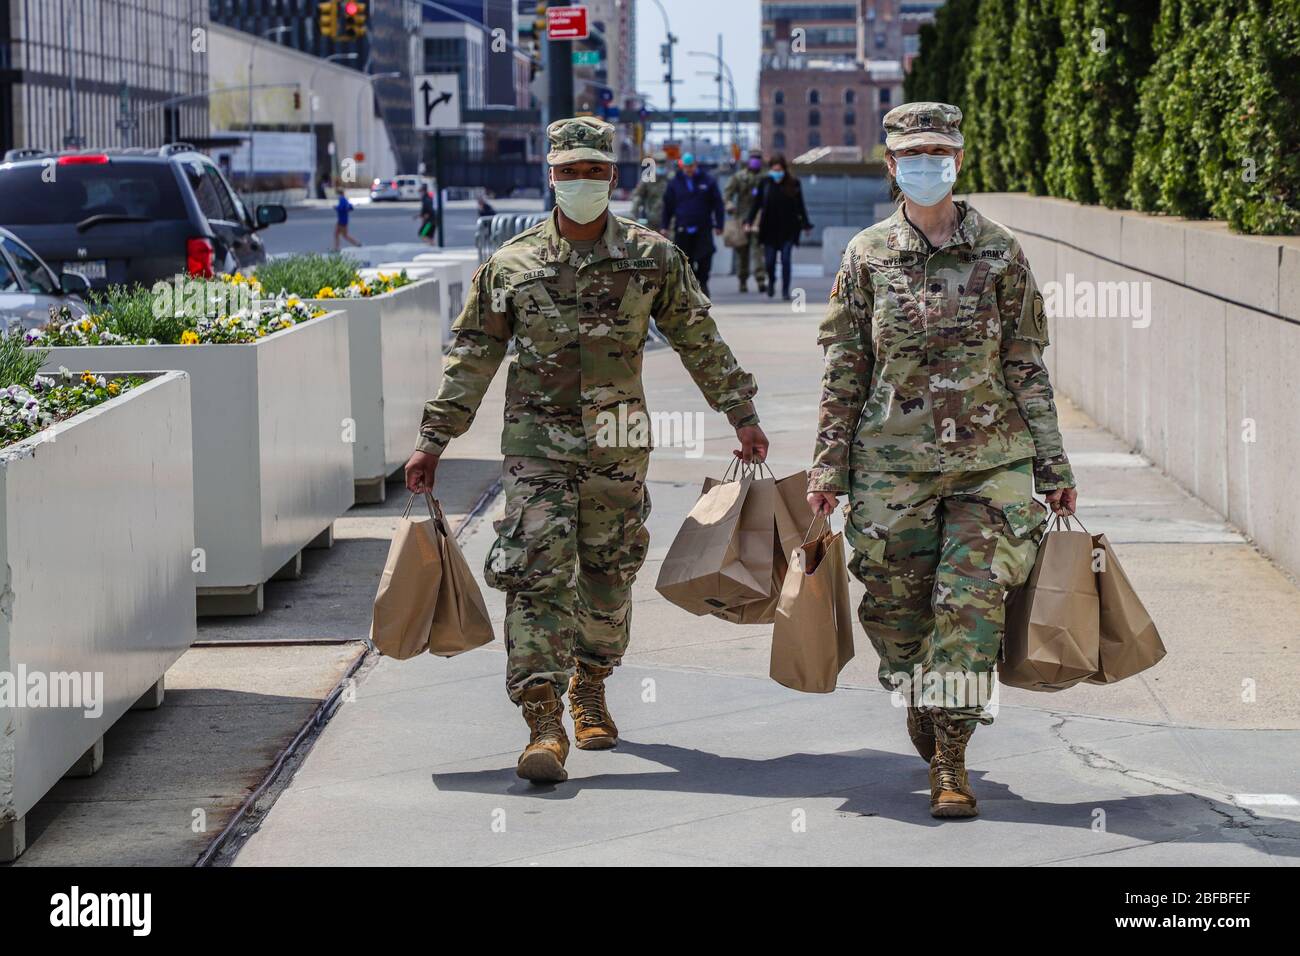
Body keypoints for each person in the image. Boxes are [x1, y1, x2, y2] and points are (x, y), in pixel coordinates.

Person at [405, 117, 768, 785]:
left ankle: (590, 684)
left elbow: (699, 339)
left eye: (593, 171)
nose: (581, 181)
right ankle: (543, 720)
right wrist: (435, 438)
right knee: (537, 569)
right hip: (535, 447)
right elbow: (472, 355)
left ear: (613, 177)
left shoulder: (652, 258)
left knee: (609, 575)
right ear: (551, 175)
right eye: (569, 171)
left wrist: (740, 413)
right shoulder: (511, 264)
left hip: (618, 445)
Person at [807, 102, 1078, 820]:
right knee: (897, 619)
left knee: (971, 608)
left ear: (959, 161)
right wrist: (826, 472)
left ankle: (952, 757)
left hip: (990, 467)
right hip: (890, 469)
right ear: (892, 165)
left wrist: (1053, 468)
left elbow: (1026, 366)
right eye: (913, 153)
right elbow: (846, 370)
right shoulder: (866, 255)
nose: (928, 164)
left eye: (940, 152)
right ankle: (917, 693)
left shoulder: (1001, 252)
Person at [745, 154, 811, 301]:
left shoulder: (793, 183)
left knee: (786, 260)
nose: (777, 173)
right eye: (774, 169)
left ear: (784, 169)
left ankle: (785, 290)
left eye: (779, 169)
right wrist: (749, 221)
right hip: (769, 228)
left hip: (788, 229)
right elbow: (756, 204)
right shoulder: (765, 183)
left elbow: (800, 205)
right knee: (769, 261)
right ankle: (772, 282)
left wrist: (806, 224)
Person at [661, 152, 724, 296]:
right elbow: (668, 206)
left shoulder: (708, 181)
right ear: (682, 166)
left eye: (691, 166)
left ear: (695, 165)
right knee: (684, 261)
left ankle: (703, 282)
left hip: (703, 227)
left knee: (705, 257)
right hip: (683, 228)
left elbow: (717, 204)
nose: (688, 169)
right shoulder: (675, 183)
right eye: (686, 166)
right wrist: (664, 226)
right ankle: (692, 286)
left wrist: (720, 225)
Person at [723, 149, 768, 293]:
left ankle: (761, 280)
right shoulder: (739, 176)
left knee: (758, 251)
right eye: (753, 157)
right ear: (748, 159)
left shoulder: (765, 177)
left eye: (758, 157)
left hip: (759, 219)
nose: (755, 160)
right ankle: (742, 281)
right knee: (742, 252)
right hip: (742, 219)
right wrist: (729, 204)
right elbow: (727, 193)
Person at [630, 150, 669, 234]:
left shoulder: (671, 178)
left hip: (670, 222)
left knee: (671, 246)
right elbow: (638, 196)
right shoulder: (647, 179)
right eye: (658, 162)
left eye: (662, 162)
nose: (660, 165)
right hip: (652, 219)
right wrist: (633, 216)